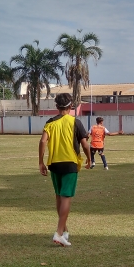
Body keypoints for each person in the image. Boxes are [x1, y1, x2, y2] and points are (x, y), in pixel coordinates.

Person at [39, 93, 91, 247]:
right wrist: (89, 158)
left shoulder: (50, 122)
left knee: (59, 197)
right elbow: (85, 144)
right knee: (66, 197)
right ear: (71, 106)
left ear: (56, 106)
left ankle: (65, 230)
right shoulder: (75, 122)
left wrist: (40, 162)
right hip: (70, 163)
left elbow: (42, 141)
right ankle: (59, 233)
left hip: (54, 163)